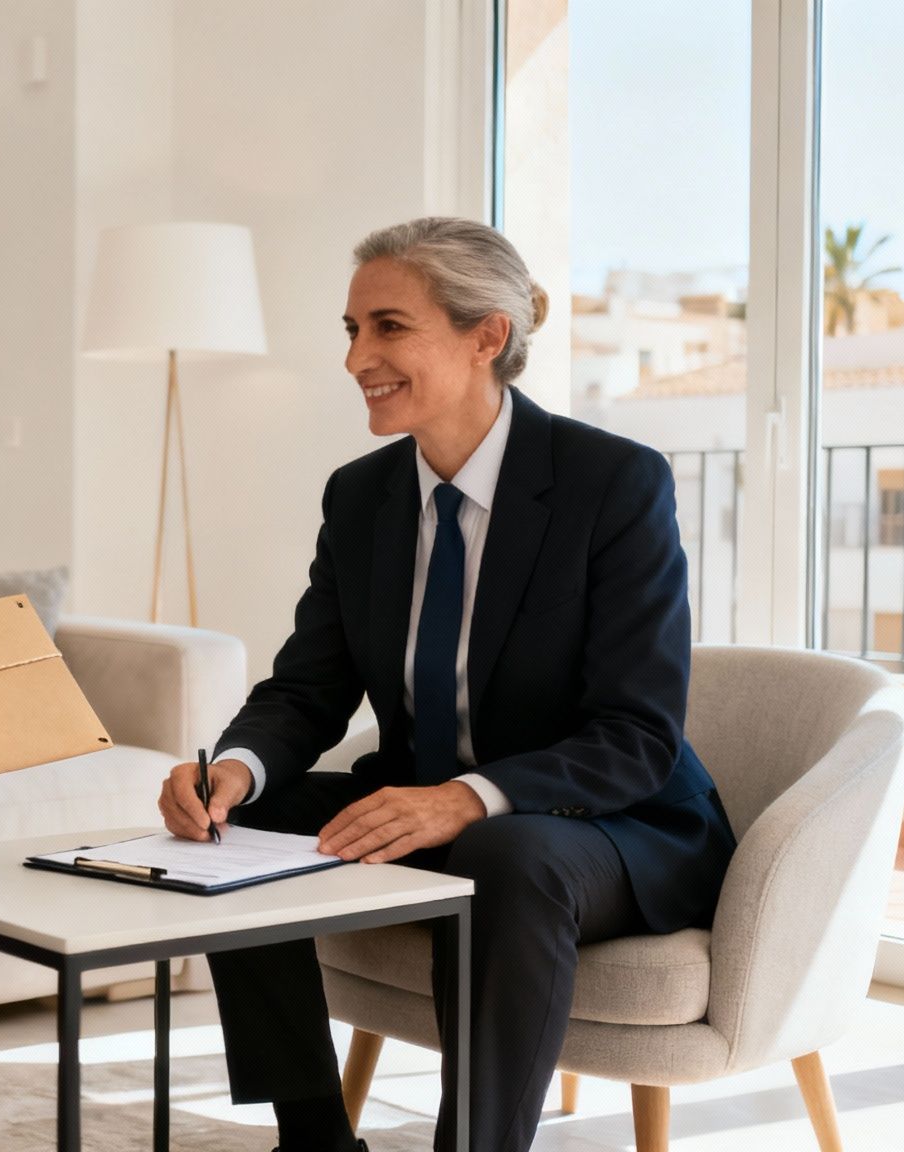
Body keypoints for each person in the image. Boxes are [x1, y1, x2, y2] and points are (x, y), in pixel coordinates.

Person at [156, 217, 737, 1152]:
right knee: (239, 826)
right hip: (427, 804)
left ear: (487, 335)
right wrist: (236, 768)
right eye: (351, 331)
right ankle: (312, 1135)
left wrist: (467, 800)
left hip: (610, 825)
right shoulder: (361, 496)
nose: (358, 359)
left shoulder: (612, 483)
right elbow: (308, 686)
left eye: (388, 327)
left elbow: (636, 732)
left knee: (509, 856)